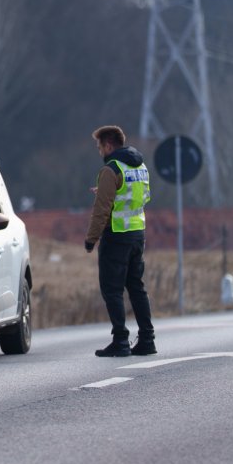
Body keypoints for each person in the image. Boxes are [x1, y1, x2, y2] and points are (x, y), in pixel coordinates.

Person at [84, 125, 156, 357]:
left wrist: (91, 239)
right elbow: (140, 196)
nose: (99, 152)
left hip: (116, 236)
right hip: (137, 233)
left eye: (99, 147)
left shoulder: (111, 169)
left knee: (112, 289)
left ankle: (121, 341)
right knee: (136, 287)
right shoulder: (141, 167)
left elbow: (101, 210)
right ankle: (147, 339)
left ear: (108, 145)